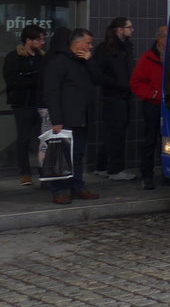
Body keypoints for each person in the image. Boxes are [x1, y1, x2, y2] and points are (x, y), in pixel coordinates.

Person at [40, 28, 101, 205]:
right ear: (77, 43)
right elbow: (51, 92)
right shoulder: (58, 62)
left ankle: (77, 186)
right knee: (61, 154)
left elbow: (99, 79)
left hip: (82, 115)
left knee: (78, 154)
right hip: (66, 117)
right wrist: (57, 119)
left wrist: (90, 62)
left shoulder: (85, 61)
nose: (91, 46)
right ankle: (59, 189)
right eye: (88, 42)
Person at [130, 26, 170, 190]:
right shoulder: (147, 58)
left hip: (169, 106)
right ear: (159, 39)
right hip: (152, 105)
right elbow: (135, 83)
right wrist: (153, 95)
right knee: (150, 140)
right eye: (169, 38)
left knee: (168, 142)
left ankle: (168, 174)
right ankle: (147, 175)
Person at [94, 16, 137, 180]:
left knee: (114, 133)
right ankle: (115, 169)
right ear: (119, 29)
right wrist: (118, 83)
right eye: (129, 27)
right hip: (113, 96)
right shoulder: (105, 49)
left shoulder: (126, 47)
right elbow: (99, 74)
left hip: (123, 94)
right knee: (116, 133)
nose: (132, 30)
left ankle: (103, 166)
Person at [3, 25, 47, 186]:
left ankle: (44, 170)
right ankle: (25, 172)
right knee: (24, 138)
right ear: (28, 40)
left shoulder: (41, 57)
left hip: (39, 103)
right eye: (39, 39)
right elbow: (13, 80)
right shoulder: (14, 57)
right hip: (22, 104)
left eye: (43, 39)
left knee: (42, 139)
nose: (42, 42)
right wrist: (35, 80)